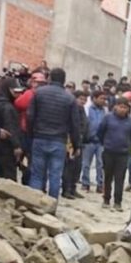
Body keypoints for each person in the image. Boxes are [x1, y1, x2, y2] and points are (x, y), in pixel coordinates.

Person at [27, 67, 82, 201]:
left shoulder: (39, 93)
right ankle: (51, 206)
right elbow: (75, 124)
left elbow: (30, 116)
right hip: (58, 141)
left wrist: (31, 134)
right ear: (64, 80)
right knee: (55, 175)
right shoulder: (69, 98)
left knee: (37, 174)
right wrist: (76, 145)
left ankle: (33, 203)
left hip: (39, 137)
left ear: (50, 78)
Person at [95, 98, 131, 211]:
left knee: (120, 178)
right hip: (108, 152)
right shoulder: (108, 118)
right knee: (108, 177)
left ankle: (118, 202)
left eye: (125, 107)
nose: (122, 109)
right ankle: (106, 199)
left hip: (123, 155)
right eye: (120, 107)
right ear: (116, 106)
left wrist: (129, 150)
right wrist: (105, 143)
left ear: (128, 108)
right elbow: (100, 132)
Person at [61, 91, 88, 199]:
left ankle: (73, 188)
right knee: (69, 167)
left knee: (77, 167)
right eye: (81, 99)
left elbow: (83, 125)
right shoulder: (70, 109)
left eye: (84, 100)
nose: (83, 102)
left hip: (79, 141)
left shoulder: (82, 110)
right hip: (70, 142)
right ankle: (66, 190)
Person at [81, 90, 108, 194]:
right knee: (86, 164)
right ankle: (85, 183)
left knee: (100, 164)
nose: (103, 100)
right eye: (101, 98)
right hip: (89, 141)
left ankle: (100, 184)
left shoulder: (104, 111)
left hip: (100, 142)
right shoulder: (87, 109)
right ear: (94, 98)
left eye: (104, 99)